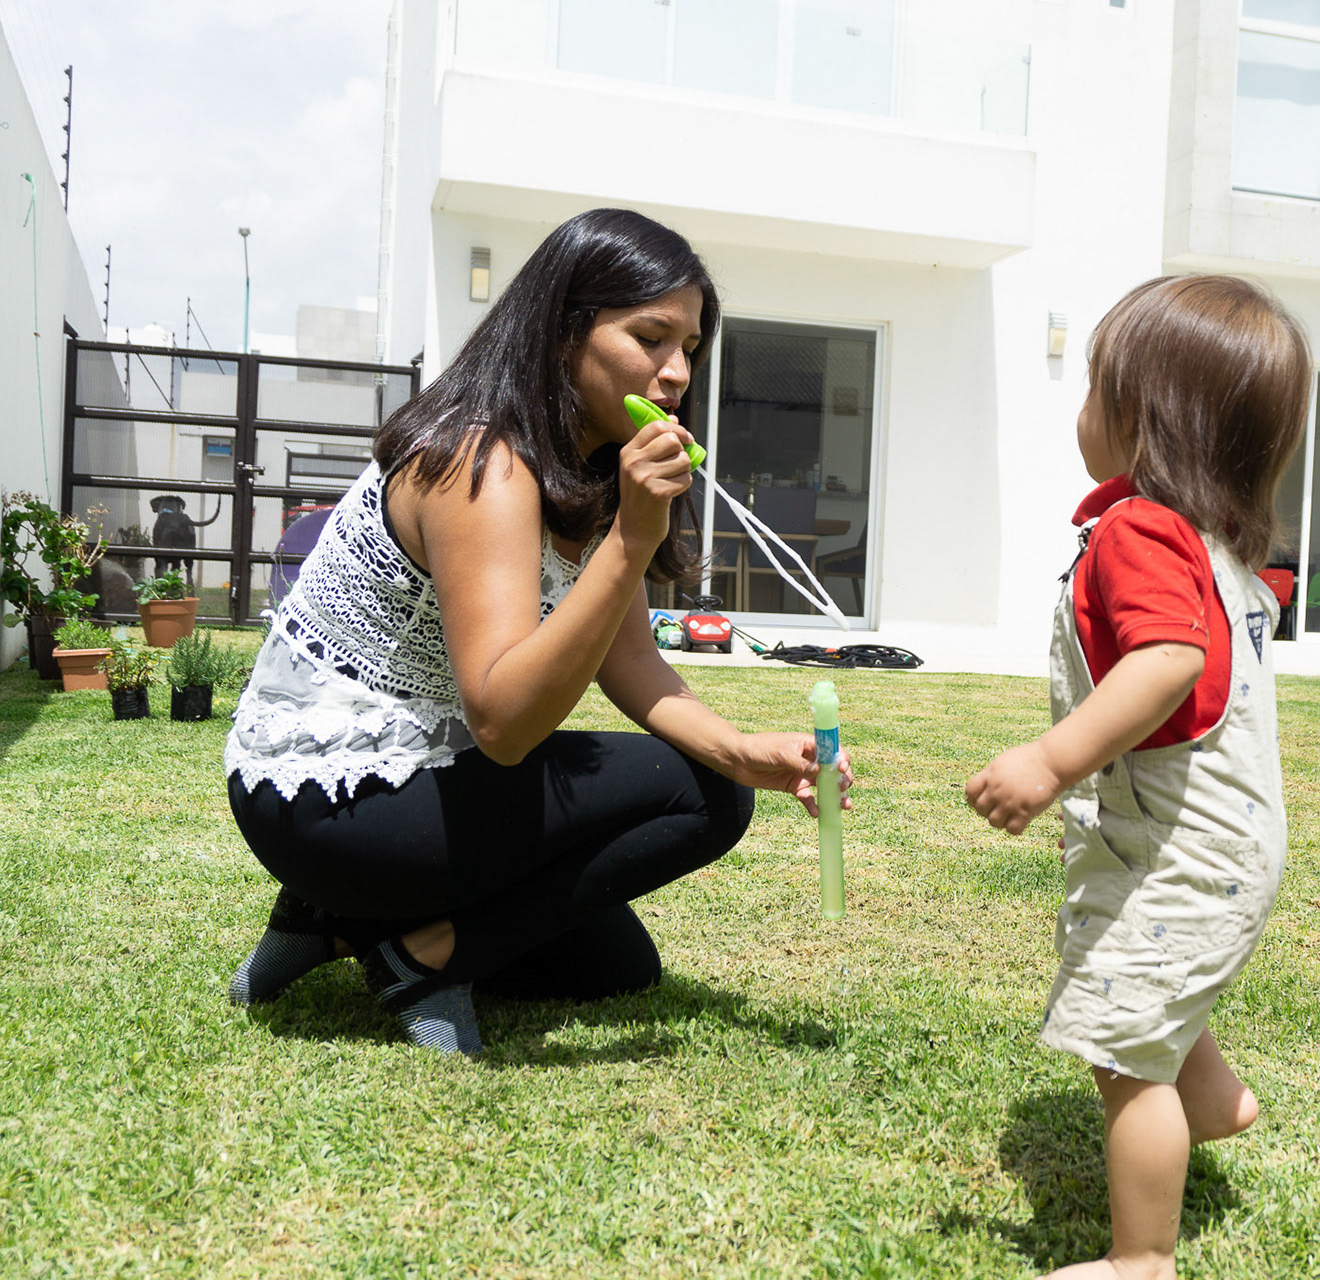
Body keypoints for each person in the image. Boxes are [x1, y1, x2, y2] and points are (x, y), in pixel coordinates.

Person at [223, 208, 851, 1057]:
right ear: (565, 332)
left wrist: (746, 751)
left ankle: (330, 923)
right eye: (650, 338)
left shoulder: (590, 466)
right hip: (323, 797)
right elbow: (506, 723)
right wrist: (632, 537)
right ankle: (418, 955)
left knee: (617, 966)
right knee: (702, 796)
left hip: (422, 769)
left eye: (690, 348)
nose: (675, 373)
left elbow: (632, 663)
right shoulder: (481, 462)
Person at [966, 275, 1310, 1280]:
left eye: (1093, 392)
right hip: (1222, 839)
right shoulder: (1223, 544)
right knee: (1141, 986)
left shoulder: (1142, 532)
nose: (1081, 415)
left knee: (1124, 1057)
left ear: (1143, 421)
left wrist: (1048, 757)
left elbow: (1168, 663)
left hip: (1180, 846)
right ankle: (1214, 1099)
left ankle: (1139, 1259)